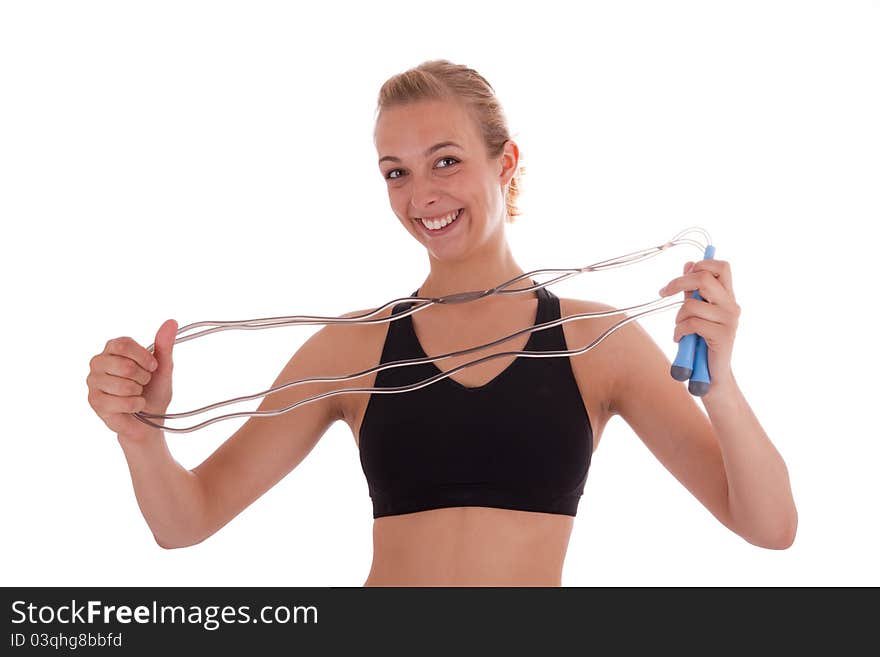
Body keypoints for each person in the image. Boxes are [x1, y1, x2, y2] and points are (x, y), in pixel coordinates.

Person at [86, 59, 797, 586]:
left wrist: (722, 386)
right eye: (396, 172)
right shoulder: (353, 346)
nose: (422, 195)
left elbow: (768, 526)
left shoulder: (596, 341)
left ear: (506, 163)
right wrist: (139, 436)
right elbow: (187, 521)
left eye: (445, 161)